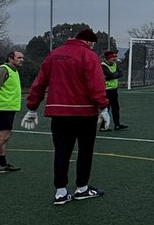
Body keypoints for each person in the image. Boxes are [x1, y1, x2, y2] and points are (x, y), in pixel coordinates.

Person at [22, 28, 111, 205]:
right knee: (85, 151)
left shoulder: (54, 55)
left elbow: (39, 83)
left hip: (59, 113)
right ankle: (82, 188)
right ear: (89, 42)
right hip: (84, 112)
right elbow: (95, 84)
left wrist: (32, 107)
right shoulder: (89, 56)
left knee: (62, 151)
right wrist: (103, 107)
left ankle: (60, 192)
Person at [101, 50, 128, 130]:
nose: (115, 60)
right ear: (108, 59)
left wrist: (114, 75)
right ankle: (103, 126)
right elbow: (110, 75)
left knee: (116, 108)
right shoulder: (103, 65)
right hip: (106, 90)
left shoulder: (114, 64)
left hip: (114, 90)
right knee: (106, 109)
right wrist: (114, 75)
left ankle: (117, 124)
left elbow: (120, 73)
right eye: (113, 58)